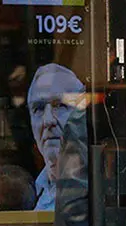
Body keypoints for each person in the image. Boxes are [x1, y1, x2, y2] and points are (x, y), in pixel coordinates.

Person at [27, 64, 87, 211]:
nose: (48, 121)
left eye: (60, 106)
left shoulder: (100, 188)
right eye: (39, 109)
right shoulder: (31, 194)